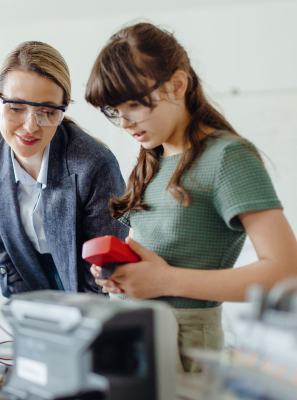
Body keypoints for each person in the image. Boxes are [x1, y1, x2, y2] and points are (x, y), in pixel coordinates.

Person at [84, 22, 297, 371]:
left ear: (178, 84)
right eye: (114, 111)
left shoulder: (227, 156)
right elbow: (145, 258)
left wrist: (165, 280)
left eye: (134, 105)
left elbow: (286, 274)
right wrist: (120, 275)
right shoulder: (151, 160)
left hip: (187, 343)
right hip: (134, 332)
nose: (124, 123)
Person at [0, 41, 128, 298]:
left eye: (47, 111)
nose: (30, 126)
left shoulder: (94, 165)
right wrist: (24, 307)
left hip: (83, 280)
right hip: (26, 273)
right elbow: (2, 251)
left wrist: (77, 322)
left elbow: (100, 269)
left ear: (62, 110)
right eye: (17, 108)